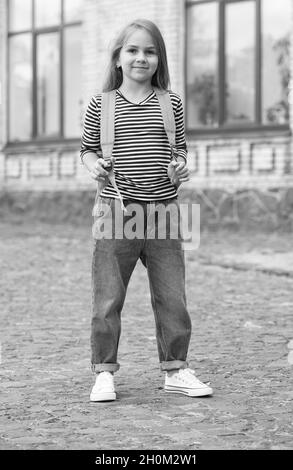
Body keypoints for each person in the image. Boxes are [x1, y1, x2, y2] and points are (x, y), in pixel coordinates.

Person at [80, 18, 213, 401]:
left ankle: (177, 369)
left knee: (173, 297)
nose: (142, 57)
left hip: (166, 210)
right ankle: (104, 372)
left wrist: (180, 166)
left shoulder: (171, 102)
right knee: (107, 297)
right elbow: (88, 150)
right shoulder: (100, 104)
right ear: (118, 58)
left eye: (150, 51)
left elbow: (180, 150)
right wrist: (94, 166)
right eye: (133, 50)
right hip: (115, 210)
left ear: (160, 58)